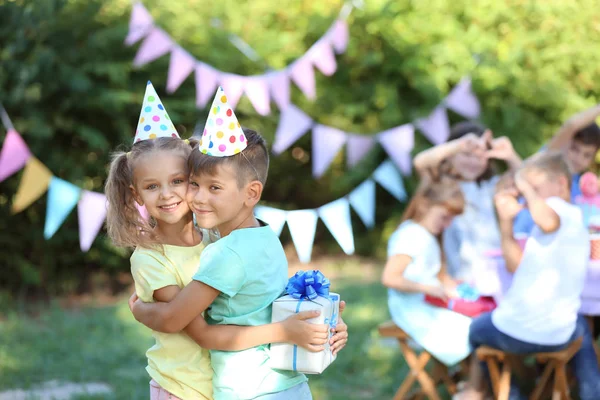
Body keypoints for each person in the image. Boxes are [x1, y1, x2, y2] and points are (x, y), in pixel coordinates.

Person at [106, 83, 344, 400]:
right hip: (183, 386)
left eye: (180, 181)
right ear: (136, 193)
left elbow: (254, 301)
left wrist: (325, 321)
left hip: (239, 386)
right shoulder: (155, 257)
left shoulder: (218, 243)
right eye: (195, 185)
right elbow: (182, 320)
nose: (170, 194)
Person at [456, 152, 600, 400]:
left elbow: (548, 221)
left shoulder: (558, 210)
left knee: (476, 329)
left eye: (535, 188)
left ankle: (498, 393)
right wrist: (506, 223)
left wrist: (521, 180)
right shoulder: (571, 217)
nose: (526, 194)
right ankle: (592, 392)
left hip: (518, 332)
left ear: (561, 183)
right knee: (580, 328)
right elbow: (514, 266)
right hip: (559, 332)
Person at [413, 122, 521, 284]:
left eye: (480, 156)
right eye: (467, 155)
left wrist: (510, 155)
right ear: (450, 156)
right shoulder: (442, 185)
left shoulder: (491, 187)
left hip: (493, 275)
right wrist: (459, 145)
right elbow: (420, 162)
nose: (473, 162)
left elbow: (527, 181)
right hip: (455, 277)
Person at [382, 177, 472, 366]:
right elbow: (390, 278)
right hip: (412, 309)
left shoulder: (427, 236)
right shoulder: (409, 236)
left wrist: (451, 284)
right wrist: (428, 288)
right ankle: (474, 387)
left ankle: (471, 383)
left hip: (428, 305)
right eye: (444, 217)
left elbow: (431, 273)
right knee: (473, 330)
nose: (447, 225)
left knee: (476, 323)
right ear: (425, 205)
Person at [513, 104, 600, 234]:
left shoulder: (582, 189)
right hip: (523, 240)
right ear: (565, 144)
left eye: (587, 155)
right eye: (574, 149)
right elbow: (571, 125)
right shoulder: (545, 163)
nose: (578, 158)